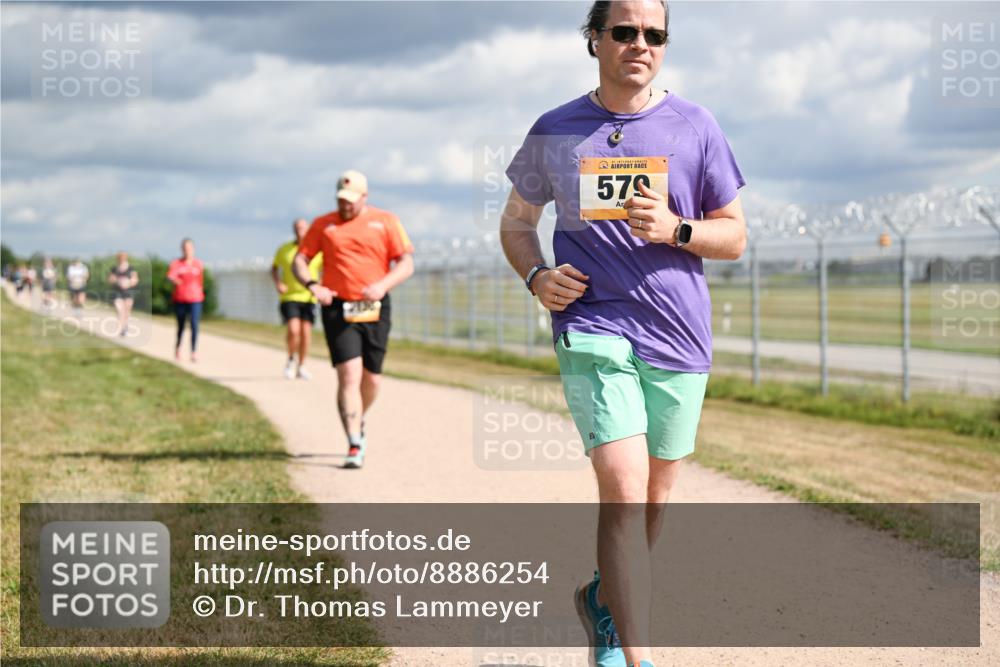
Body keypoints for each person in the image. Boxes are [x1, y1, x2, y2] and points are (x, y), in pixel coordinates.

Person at [500, 2, 746, 666]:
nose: (641, 43)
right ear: (594, 40)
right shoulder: (556, 129)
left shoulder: (696, 125)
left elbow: (735, 234)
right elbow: (517, 221)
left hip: (678, 335)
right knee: (624, 485)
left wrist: (677, 229)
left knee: (656, 492)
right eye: (625, 31)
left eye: (655, 34)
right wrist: (536, 275)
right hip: (592, 325)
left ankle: (604, 600)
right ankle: (637, 656)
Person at [293, 170, 414, 469]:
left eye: (351, 200)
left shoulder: (385, 221)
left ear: (364, 197)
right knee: (348, 374)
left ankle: (359, 418)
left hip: (374, 305)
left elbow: (406, 263)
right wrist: (313, 286)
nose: (345, 205)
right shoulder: (324, 224)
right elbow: (300, 259)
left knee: (371, 378)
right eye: (340, 200)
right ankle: (353, 442)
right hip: (338, 306)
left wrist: (382, 285)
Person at [271, 219, 323, 380]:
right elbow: (274, 268)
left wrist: (320, 287)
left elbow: (326, 269)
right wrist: (278, 283)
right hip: (290, 296)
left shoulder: (317, 251)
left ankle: (301, 365)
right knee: (294, 330)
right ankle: (290, 359)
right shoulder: (285, 249)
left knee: (306, 333)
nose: (299, 231)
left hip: (309, 297)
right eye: (297, 228)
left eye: (303, 228)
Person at [167, 238, 205, 362]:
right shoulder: (176, 263)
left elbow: (200, 281)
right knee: (181, 326)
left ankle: (193, 352)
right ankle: (178, 347)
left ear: (193, 249)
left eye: (190, 248)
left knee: (194, 324)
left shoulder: (198, 264)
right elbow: (170, 276)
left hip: (195, 299)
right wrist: (175, 280)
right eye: (185, 248)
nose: (187, 251)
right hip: (180, 299)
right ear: (182, 249)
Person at [108, 252, 139, 337]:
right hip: (118, 292)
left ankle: (125, 327)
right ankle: (120, 328)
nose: (121, 259)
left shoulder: (131, 268)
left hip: (128, 292)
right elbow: (110, 279)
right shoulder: (114, 269)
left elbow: (135, 280)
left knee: (127, 311)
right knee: (119, 310)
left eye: (123, 257)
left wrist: (128, 283)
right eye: (120, 257)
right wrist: (118, 281)